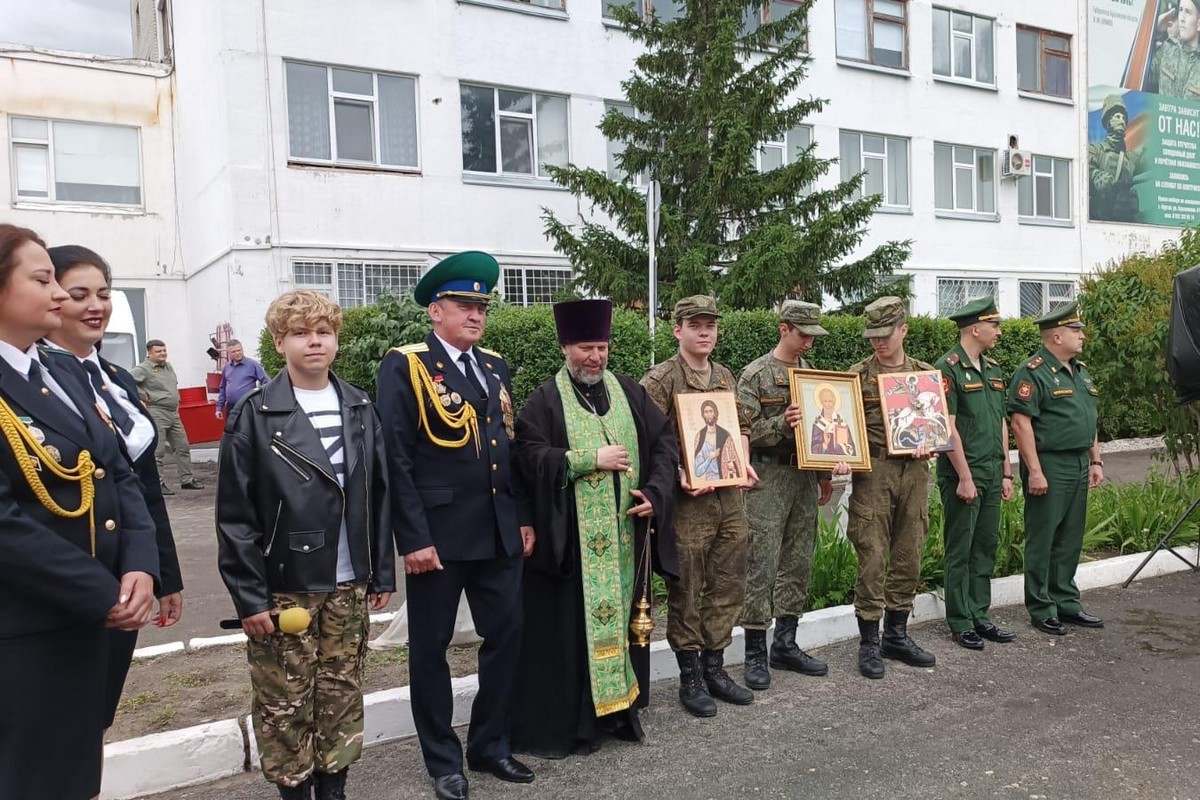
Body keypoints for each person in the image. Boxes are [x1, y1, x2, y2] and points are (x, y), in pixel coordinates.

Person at [0, 224, 159, 800]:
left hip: (89, 620)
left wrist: (140, 566)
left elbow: (118, 473)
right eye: (44, 281)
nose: (62, 297)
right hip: (27, 630)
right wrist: (100, 591)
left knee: (73, 776)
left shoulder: (62, 370)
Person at [217, 289, 396, 800]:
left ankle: (333, 788)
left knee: (341, 694)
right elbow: (235, 515)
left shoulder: (360, 405)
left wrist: (379, 571)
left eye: (323, 331)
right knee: (285, 700)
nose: (314, 341)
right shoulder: (256, 412)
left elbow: (377, 495)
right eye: (300, 332)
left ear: (337, 338)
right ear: (279, 342)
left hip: (348, 582)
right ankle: (294, 792)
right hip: (286, 586)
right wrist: (250, 598)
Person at [376, 252, 533, 800]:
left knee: (507, 636)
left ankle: (490, 744)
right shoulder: (407, 364)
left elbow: (508, 449)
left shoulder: (493, 365)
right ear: (435, 311)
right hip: (438, 537)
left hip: (497, 531)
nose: (476, 315)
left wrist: (524, 520)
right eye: (464, 306)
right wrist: (413, 538)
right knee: (430, 649)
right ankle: (443, 759)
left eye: (481, 307)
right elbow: (395, 457)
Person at [512, 298, 678, 756]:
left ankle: (620, 714)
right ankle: (580, 724)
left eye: (601, 347)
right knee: (573, 636)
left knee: (627, 626)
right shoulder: (546, 399)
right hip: (575, 550)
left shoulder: (629, 391)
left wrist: (655, 494)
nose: (595, 357)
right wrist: (587, 460)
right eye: (586, 347)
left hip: (627, 541)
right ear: (566, 347)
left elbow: (665, 443)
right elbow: (527, 455)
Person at [42, 244, 186, 732]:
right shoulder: (35, 375)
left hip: (129, 571)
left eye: (103, 293)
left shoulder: (117, 378)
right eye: (78, 294)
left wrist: (162, 572)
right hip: (70, 571)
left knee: (97, 714)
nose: (95, 306)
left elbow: (144, 485)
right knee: (59, 722)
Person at [641, 295, 755, 718]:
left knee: (729, 581)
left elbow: (740, 426)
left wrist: (742, 464)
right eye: (696, 325)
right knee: (687, 585)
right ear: (678, 330)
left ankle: (715, 666)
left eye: (710, 325)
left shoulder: (724, 375)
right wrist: (677, 476)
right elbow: (647, 441)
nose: (705, 332)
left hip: (728, 496)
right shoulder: (661, 379)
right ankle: (690, 674)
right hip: (689, 502)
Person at [738, 300, 846, 690]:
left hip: (802, 477)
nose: (808, 344)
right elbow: (741, 434)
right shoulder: (756, 374)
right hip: (767, 475)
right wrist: (781, 423)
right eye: (802, 335)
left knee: (798, 560)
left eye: (813, 337)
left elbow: (823, 433)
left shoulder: (812, 376)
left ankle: (785, 643)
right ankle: (754, 651)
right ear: (784, 329)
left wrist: (823, 475)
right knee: (761, 562)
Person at [846, 296, 937, 680]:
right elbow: (844, 431)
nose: (878, 343)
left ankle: (896, 634)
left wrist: (932, 439)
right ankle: (869, 642)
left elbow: (938, 427)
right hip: (875, 471)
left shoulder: (924, 377)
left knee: (909, 551)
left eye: (886, 335)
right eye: (873, 336)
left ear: (904, 330)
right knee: (872, 555)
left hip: (914, 470)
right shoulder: (856, 377)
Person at [1007, 301, 1105, 637]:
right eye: (1075, 331)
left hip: (1079, 461)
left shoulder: (1081, 371)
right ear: (1056, 336)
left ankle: (1066, 601)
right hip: (1050, 462)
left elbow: (1088, 418)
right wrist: (1034, 470)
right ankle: (1041, 607)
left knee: (1069, 537)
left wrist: (1096, 460)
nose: (1082, 336)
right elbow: (1021, 423)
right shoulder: (1032, 371)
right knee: (1044, 536)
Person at [934, 297, 1016, 651]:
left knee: (985, 545)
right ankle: (960, 620)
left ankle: (980, 614)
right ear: (974, 328)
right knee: (961, 546)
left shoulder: (994, 368)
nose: (998, 331)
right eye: (994, 325)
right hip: (962, 474)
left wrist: (1007, 471)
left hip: (991, 469)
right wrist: (965, 476)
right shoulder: (948, 368)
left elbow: (1000, 421)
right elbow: (947, 428)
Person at [132, 339, 203, 493]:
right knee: (158, 451)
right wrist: (142, 396)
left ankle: (187, 479)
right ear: (149, 353)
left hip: (173, 413)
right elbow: (126, 381)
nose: (163, 354)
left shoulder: (168, 366)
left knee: (183, 447)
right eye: (158, 351)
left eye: (164, 351)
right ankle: (158, 483)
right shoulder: (143, 369)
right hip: (156, 411)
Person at [1087, 95, 1145, 224]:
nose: (1122, 121)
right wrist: (1096, 175)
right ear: (1108, 121)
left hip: (1127, 221)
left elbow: (1152, 160)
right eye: (1117, 117)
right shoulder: (1096, 150)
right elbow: (1083, 167)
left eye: (1124, 118)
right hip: (1099, 220)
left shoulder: (1130, 158)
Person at [1152, 0, 1200, 98]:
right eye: (1180, 10)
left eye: (1188, 12)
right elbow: (1141, 75)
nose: (1182, 18)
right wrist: (1155, 29)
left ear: (1199, 24)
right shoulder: (1167, 49)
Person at [215, 338, 269, 419]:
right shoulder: (227, 367)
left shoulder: (252, 365)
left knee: (247, 431)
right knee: (230, 430)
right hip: (231, 408)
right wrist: (219, 408)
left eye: (239, 350)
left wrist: (261, 401)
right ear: (229, 353)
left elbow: (267, 383)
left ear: (242, 349)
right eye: (233, 352)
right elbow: (223, 387)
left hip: (247, 407)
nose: (237, 353)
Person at [693, 399, 742, 482]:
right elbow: (697, 471)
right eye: (706, 412)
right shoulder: (700, 436)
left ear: (715, 413)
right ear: (703, 415)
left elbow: (735, 459)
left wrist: (732, 465)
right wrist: (710, 458)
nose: (709, 415)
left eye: (711, 411)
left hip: (725, 480)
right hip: (708, 482)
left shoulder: (725, 434)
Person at [811, 385, 857, 457]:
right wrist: (825, 444)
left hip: (843, 462)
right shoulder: (818, 423)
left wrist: (843, 447)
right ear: (821, 402)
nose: (828, 404)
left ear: (834, 402)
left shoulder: (841, 423)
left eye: (830, 401)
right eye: (825, 401)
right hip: (823, 463)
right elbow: (813, 449)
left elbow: (851, 449)